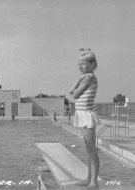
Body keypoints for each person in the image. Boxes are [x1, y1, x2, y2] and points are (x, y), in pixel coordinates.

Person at [69, 50, 100, 190]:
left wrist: (78, 82)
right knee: (89, 149)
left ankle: (94, 182)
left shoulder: (88, 78)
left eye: (83, 64)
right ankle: (89, 179)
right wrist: (78, 80)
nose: (79, 67)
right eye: (78, 64)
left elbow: (74, 94)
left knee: (91, 149)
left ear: (92, 64)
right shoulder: (86, 77)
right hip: (82, 114)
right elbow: (72, 91)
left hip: (87, 115)